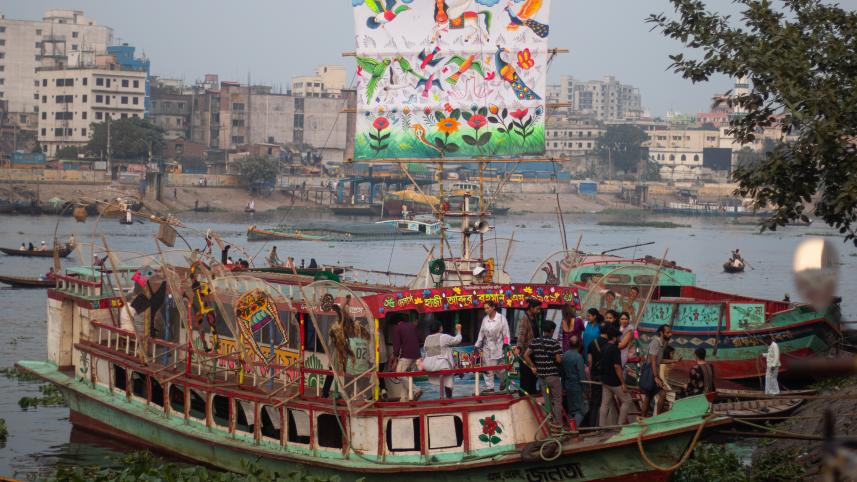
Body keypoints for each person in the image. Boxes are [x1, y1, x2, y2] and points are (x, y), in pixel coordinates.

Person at [524, 320, 563, 430]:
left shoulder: (535, 341)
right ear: (551, 331)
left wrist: (533, 366)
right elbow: (559, 360)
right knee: (557, 400)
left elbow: (526, 355)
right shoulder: (554, 343)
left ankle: (548, 422)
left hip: (542, 378)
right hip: (553, 377)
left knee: (547, 400)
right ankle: (558, 424)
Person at [599, 326, 633, 426]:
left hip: (605, 380)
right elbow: (617, 367)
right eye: (619, 337)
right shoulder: (614, 349)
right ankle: (620, 425)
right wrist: (623, 383)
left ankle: (601, 427)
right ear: (614, 338)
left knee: (605, 404)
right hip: (614, 382)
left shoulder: (604, 347)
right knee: (627, 401)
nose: (620, 339)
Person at [474, 300, 510, 392]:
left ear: (493, 307)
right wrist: (477, 345)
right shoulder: (485, 319)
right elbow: (481, 333)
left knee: (499, 368)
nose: (486, 310)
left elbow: (506, 333)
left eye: (488, 308)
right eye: (485, 308)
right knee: (487, 368)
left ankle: (504, 380)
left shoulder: (501, 318)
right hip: (487, 347)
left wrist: (506, 343)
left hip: (498, 347)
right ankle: (490, 388)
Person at [422, 321, 462, 399]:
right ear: (440, 328)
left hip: (428, 365)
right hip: (440, 365)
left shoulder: (427, 338)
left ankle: (443, 396)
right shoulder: (443, 337)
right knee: (448, 373)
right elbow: (457, 340)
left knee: (446, 358)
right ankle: (448, 397)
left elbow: (425, 350)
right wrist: (459, 330)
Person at [640, 325, 672, 418]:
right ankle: (657, 418)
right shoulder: (655, 342)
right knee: (662, 393)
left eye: (670, 332)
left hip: (653, 372)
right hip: (651, 373)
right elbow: (653, 361)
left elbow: (659, 360)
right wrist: (656, 377)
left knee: (648, 397)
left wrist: (673, 361)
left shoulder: (661, 344)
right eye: (668, 332)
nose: (670, 334)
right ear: (661, 333)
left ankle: (643, 418)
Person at [390, 315, 423, 401]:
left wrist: (395, 357)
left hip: (407, 355)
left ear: (395, 323)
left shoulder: (397, 328)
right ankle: (403, 399)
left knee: (399, 374)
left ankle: (417, 390)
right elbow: (420, 338)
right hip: (416, 355)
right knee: (406, 377)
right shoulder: (412, 325)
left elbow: (396, 346)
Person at [515, 298, 543, 395]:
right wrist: (519, 347)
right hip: (526, 352)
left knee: (533, 375)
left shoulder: (534, 317)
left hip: (534, 351)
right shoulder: (525, 318)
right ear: (531, 308)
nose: (538, 311)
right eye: (537, 309)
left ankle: (532, 393)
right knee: (526, 375)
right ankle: (524, 396)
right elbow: (521, 334)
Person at [586, 324, 611, 427]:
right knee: (606, 402)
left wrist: (592, 374)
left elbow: (590, 361)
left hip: (595, 375)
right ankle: (603, 426)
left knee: (595, 402)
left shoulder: (592, 343)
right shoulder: (611, 344)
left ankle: (592, 426)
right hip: (608, 377)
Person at [560, 335, 587, 427]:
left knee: (571, 409)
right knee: (581, 410)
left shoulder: (564, 355)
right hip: (577, 386)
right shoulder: (579, 357)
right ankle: (574, 429)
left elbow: (562, 373)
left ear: (569, 344)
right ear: (579, 345)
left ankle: (570, 426)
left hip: (568, 385)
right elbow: (582, 375)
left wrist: (563, 386)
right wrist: (585, 390)